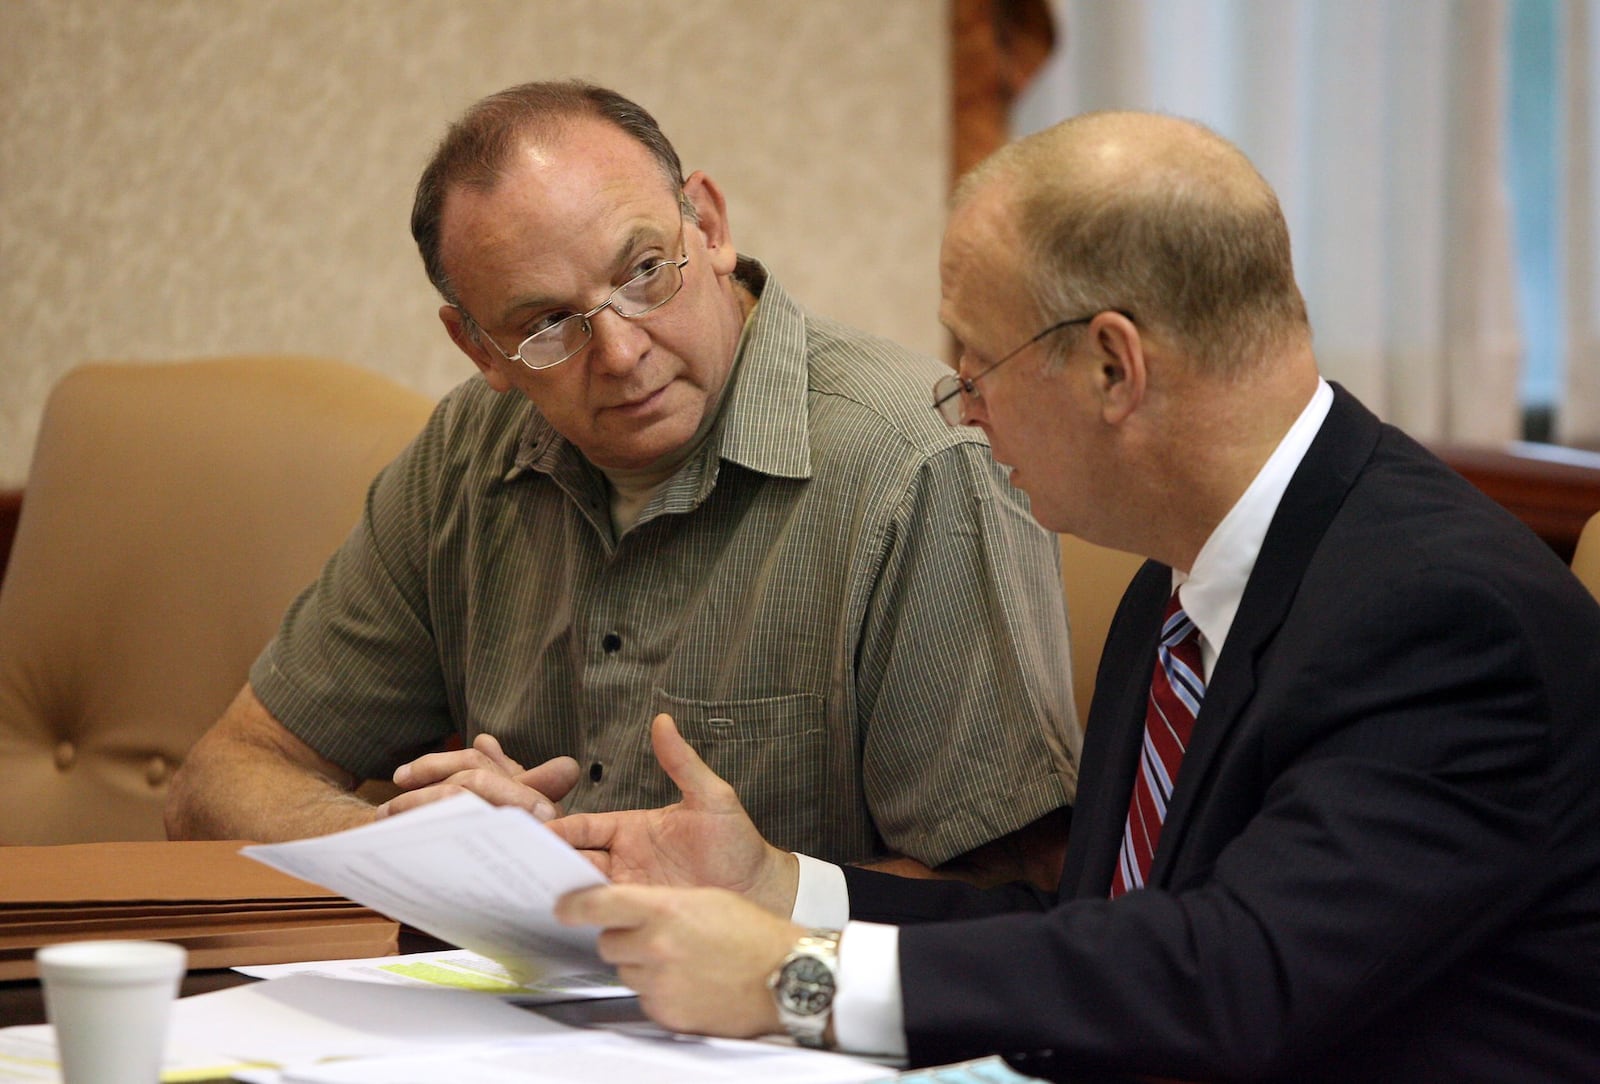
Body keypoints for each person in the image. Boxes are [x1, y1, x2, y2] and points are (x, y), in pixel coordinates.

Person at [551, 110, 1600, 1081]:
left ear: (1112, 365)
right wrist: (777, 888)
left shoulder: (1446, 616)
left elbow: (1233, 977)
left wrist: (795, 977)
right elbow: (1098, 929)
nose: (958, 405)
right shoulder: (1180, 583)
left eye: (976, 355)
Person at [162, 80, 1079, 882]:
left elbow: (1017, 888)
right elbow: (223, 779)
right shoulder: (467, 454)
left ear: (710, 228)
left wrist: (737, 894)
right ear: (479, 347)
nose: (623, 351)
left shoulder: (915, 463)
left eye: (644, 273)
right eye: (549, 324)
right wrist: (405, 846)